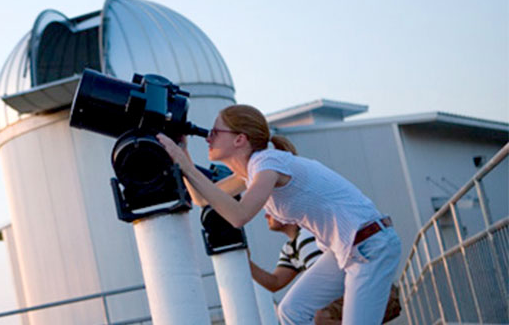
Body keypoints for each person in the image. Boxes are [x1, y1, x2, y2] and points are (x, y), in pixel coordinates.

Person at [157, 104, 401, 325]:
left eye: (216, 132)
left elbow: (239, 215)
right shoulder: (251, 174)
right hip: (344, 250)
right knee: (291, 312)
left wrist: (186, 166)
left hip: (370, 246)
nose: (208, 137)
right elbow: (203, 199)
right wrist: (182, 153)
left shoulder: (267, 164)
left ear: (240, 139)